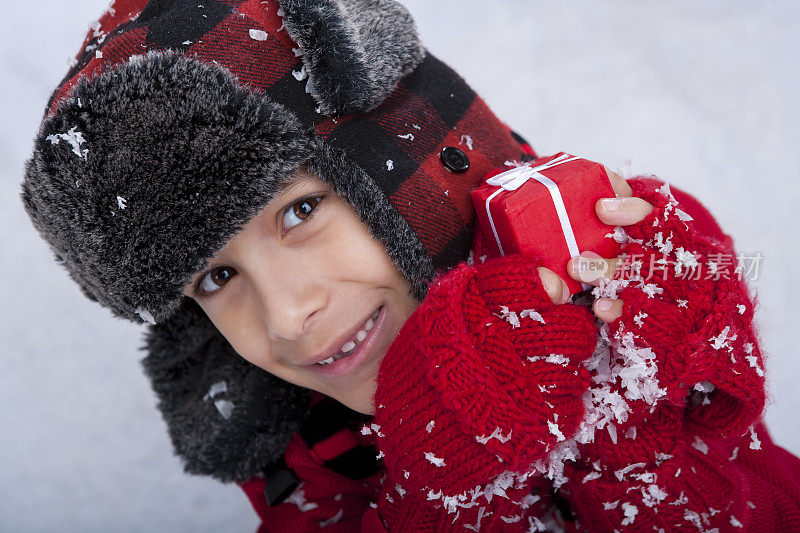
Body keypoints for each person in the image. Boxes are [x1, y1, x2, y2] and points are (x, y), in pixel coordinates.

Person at [20, 0, 800, 531]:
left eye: (298, 211)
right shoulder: (306, 473)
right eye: (216, 277)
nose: (288, 316)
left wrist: (644, 382)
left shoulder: (607, 251)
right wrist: (447, 486)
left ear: (386, 158)